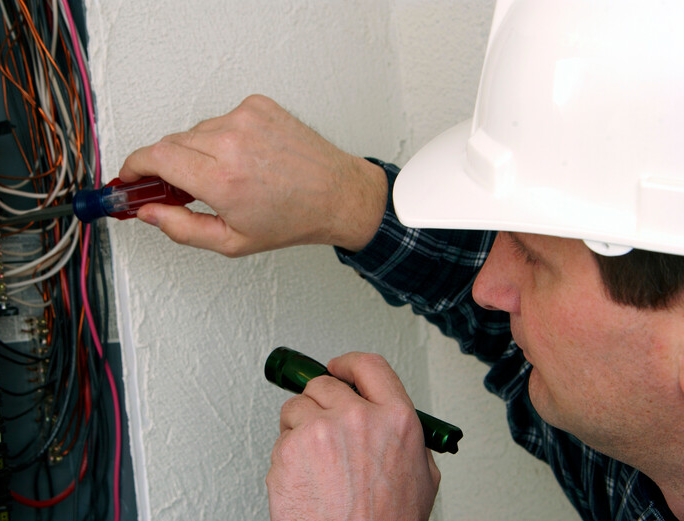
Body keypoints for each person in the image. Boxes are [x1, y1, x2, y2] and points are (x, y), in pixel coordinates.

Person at [118, 1, 684, 520]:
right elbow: (534, 340)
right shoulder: (640, 448)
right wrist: (340, 198)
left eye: (534, 260)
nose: (489, 287)